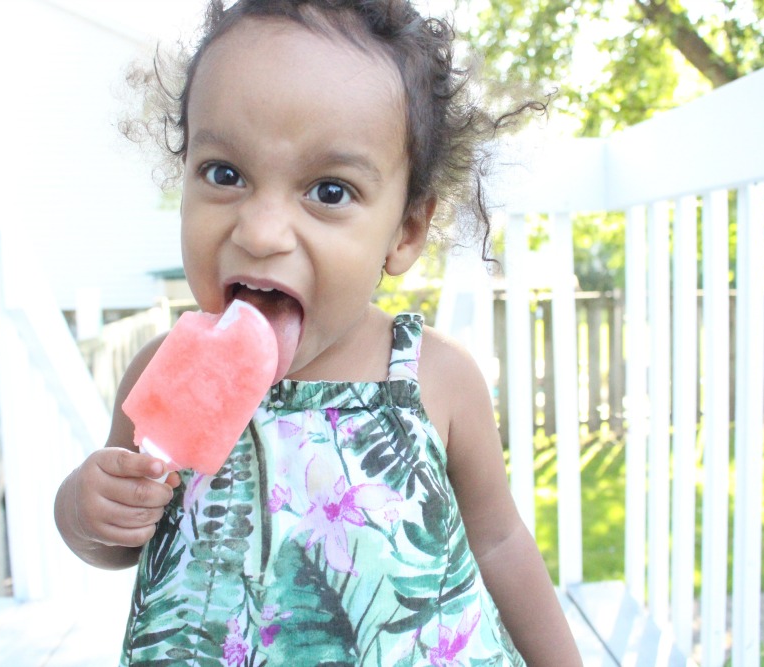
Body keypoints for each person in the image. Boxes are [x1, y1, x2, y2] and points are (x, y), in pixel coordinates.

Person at [55, 1, 582, 664]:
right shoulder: (160, 369)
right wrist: (87, 507)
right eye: (224, 174)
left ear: (406, 230)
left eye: (329, 190)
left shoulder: (434, 378)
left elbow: (500, 540)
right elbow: (118, 538)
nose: (261, 231)